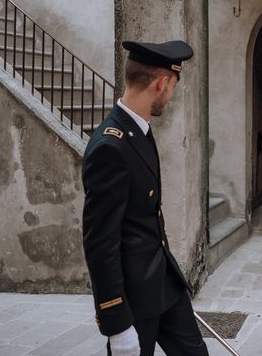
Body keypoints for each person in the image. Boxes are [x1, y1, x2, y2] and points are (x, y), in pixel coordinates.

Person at [82, 40, 208, 356]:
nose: (172, 94)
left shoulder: (138, 128)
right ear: (162, 83)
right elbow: (100, 241)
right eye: (174, 86)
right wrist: (117, 324)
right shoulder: (111, 147)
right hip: (134, 298)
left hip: (163, 282)